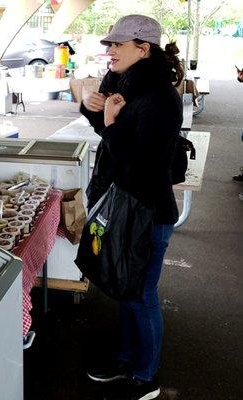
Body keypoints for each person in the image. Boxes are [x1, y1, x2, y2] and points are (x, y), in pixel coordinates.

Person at [80, 15, 183, 400]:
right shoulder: (123, 82)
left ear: (144, 49)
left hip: (148, 212)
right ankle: (125, 360)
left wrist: (109, 124)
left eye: (117, 45)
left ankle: (146, 377)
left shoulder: (159, 98)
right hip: (122, 207)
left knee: (141, 295)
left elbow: (141, 166)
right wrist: (93, 109)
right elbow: (107, 136)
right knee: (125, 290)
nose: (109, 51)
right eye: (109, 44)